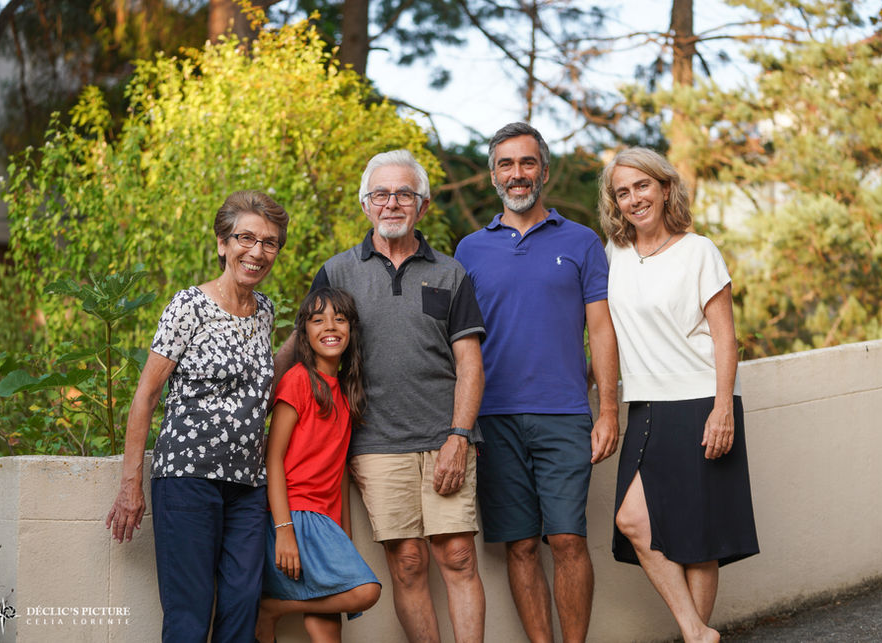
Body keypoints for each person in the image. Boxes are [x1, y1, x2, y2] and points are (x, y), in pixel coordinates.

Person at [276, 149, 487, 642]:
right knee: (408, 563)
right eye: (381, 194)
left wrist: (460, 434)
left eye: (404, 194)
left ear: (424, 204)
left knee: (457, 555)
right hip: (374, 443)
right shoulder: (337, 271)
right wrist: (257, 397)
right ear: (366, 204)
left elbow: (469, 363)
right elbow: (305, 342)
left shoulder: (452, 273)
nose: (392, 203)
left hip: (445, 438)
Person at [454, 122, 620, 643]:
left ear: (543, 170)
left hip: (565, 413)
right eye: (506, 164)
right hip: (493, 419)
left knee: (568, 540)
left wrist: (609, 410)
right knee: (520, 546)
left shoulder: (581, 241)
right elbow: (459, 346)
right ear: (492, 175)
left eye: (527, 163)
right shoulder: (468, 250)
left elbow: (602, 328)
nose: (517, 173)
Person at [105, 190, 289, 642]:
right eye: (245, 238)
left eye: (270, 242)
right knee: (189, 614)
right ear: (223, 244)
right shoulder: (188, 306)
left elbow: (260, 383)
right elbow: (145, 396)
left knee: (242, 608)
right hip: (188, 478)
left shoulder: (263, 311)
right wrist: (131, 483)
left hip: (247, 485)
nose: (257, 251)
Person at [598, 147, 759, 643]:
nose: (633, 199)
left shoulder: (699, 251)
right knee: (632, 519)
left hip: (699, 403)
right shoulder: (614, 254)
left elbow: (725, 336)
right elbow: (609, 332)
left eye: (642, 186)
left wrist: (722, 410)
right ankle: (697, 632)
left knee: (698, 539)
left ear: (666, 187)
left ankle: (695, 637)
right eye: (622, 192)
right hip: (645, 405)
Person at [256, 287, 381, 643]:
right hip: (295, 516)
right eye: (318, 319)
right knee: (367, 591)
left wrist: (346, 537)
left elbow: (338, 472)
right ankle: (272, 609)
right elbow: (273, 458)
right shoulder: (297, 380)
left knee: (326, 633)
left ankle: (271, 609)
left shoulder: (344, 392)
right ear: (305, 333)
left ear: (351, 330)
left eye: (340, 319)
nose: (330, 326)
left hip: (325, 524)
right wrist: (283, 529)